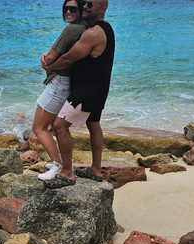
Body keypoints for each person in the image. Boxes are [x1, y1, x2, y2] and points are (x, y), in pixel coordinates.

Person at [41, 0, 115, 188]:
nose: (85, 7)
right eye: (85, 3)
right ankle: (96, 170)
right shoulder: (107, 28)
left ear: (102, 9)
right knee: (93, 124)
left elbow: (67, 59)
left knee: (59, 126)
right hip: (100, 88)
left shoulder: (93, 33)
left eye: (91, 4)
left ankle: (67, 173)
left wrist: (50, 67)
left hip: (86, 90)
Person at [33, 0, 86, 181]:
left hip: (58, 84)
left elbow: (50, 57)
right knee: (58, 127)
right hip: (68, 82)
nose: (68, 12)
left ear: (81, 11)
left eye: (73, 9)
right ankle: (65, 164)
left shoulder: (71, 30)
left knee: (39, 128)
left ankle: (57, 165)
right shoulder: (83, 30)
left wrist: (45, 60)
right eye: (66, 9)